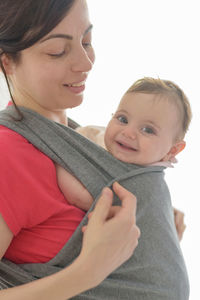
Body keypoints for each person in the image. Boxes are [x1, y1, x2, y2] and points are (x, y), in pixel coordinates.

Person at [0, 0, 189, 299]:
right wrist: (87, 272)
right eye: (57, 51)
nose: (86, 63)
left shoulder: (79, 138)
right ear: (7, 61)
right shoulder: (8, 153)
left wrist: (154, 228)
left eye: (87, 41)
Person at [56, 77, 191, 240]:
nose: (128, 133)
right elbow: (78, 194)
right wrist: (59, 157)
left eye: (147, 130)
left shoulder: (148, 180)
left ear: (172, 150)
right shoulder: (90, 137)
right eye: (122, 119)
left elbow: (150, 219)